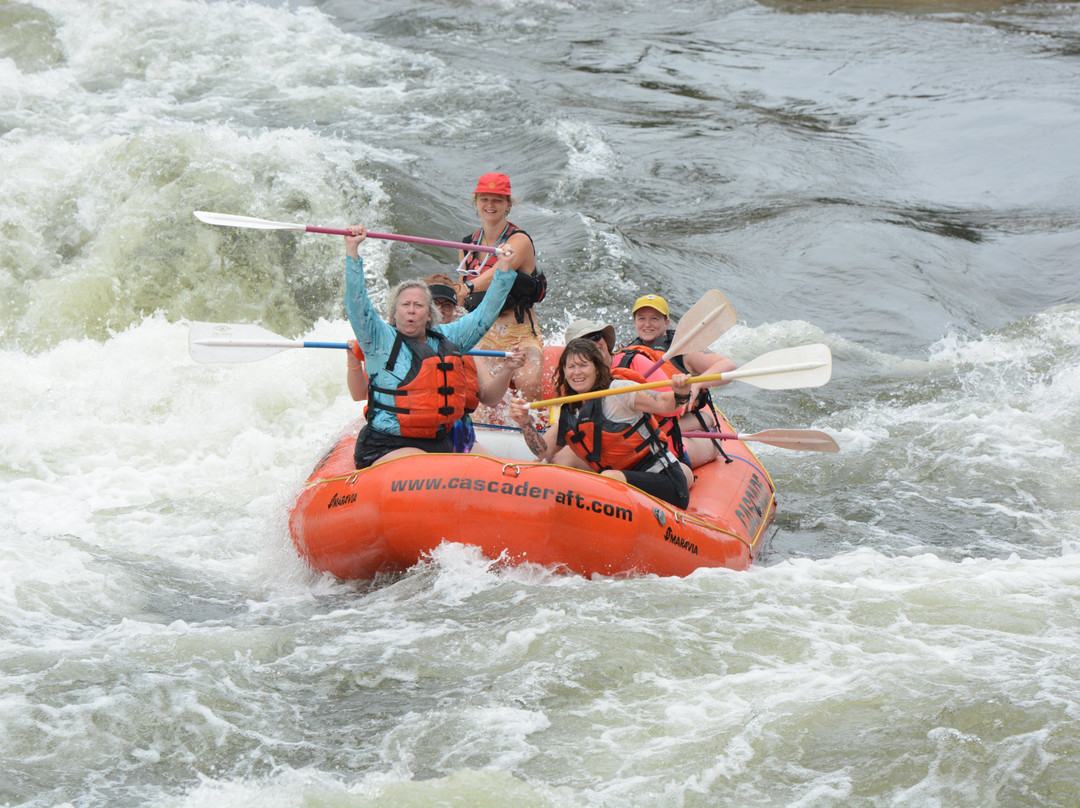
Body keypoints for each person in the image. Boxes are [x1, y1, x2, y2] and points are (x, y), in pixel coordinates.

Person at [344, 225, 517, 469]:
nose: (412, 310)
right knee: (425, 467)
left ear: (429, 315)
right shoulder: (379, 339)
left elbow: (485, 315)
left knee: (493, 470)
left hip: (441, 440)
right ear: (394, 313)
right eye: (405, 305)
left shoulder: (449, 337)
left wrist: (504, 269)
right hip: (390, 444)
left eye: (419, 305)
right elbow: (357, 305)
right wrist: (352, 252)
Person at [508, 338, 695, 509]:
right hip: (627, 493)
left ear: (597, 368)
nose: (577, 372)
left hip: (666, 481)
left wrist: (681, 392)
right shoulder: (571, 412)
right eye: (571, 366)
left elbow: (665, 403)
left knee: (607, 478)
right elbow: (542, 450)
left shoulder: (619, 392)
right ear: (564, 372)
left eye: (583, 365)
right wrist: (525, 423)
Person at [452, 172, 547, 406]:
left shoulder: (519, 240)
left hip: (521, 334)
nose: (490, 205)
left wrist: (469, 286)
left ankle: (537, 427)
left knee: (529, 382)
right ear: (476, 202)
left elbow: (500, 271)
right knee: (479, 393)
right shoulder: (467, 245)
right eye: (485, 199)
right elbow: (462, 300)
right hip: (484, 332)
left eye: (497, 200)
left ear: (508, 205)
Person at [614, 294, 737, 468]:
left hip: (680, 422)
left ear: (667, 322)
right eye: (642, 319)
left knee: (695, 421)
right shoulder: (627, 352)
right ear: (635, 322)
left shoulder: (683, 350)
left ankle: (705, 422)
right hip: (647, 420)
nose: (647, 324)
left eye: (654, 319)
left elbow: (729, 367)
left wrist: (696, 384)